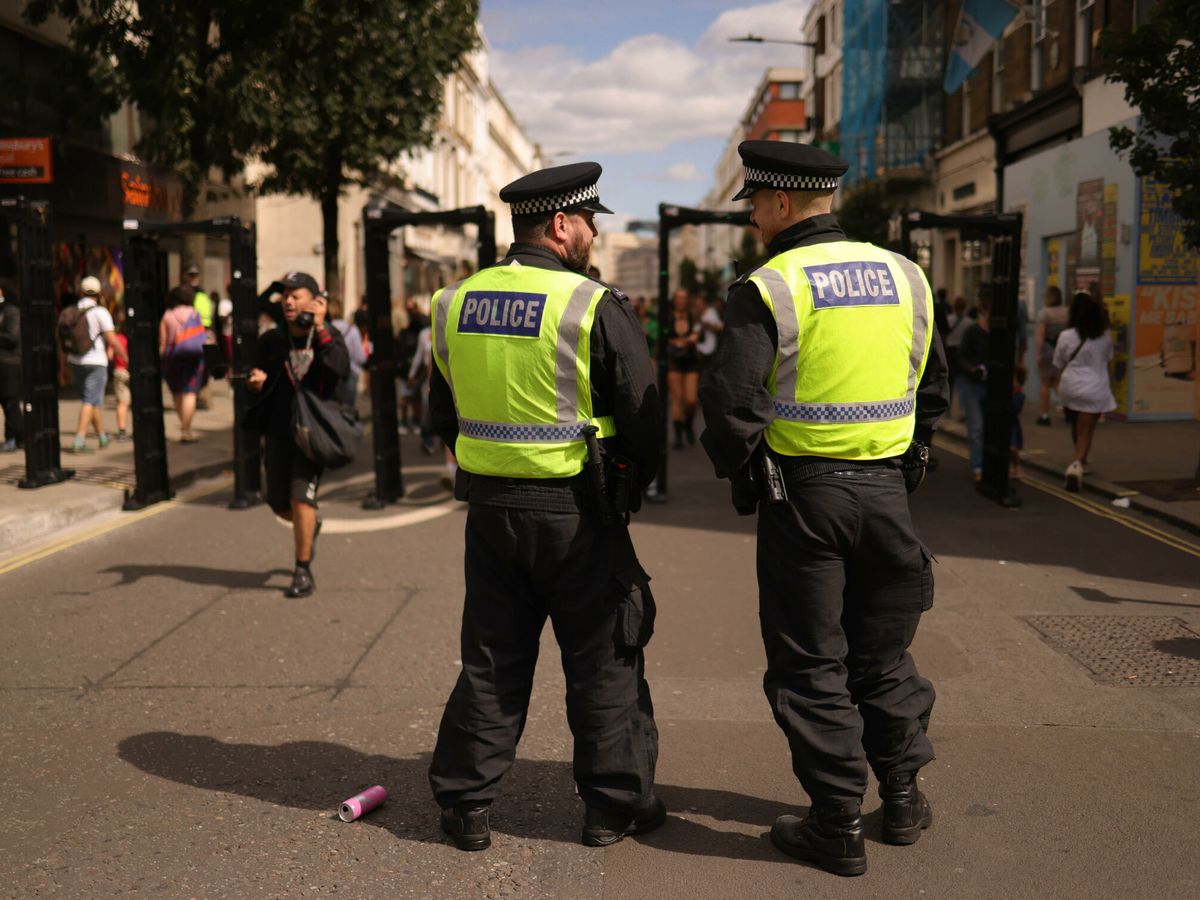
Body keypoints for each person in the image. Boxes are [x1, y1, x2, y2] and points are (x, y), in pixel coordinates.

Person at [699, 140, 948, 877]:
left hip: (804, 497)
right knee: (882, 654)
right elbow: (929, 388)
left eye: (754, 208)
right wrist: (907, 462)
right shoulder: (908, 277)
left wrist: (750, 480)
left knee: (811, 662)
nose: (752, 223)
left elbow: (729, 404)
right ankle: (902, 796)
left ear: (779, 204)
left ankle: (837, 822)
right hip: (886, 492)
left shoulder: (770, 285)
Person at [426, 162, 664, 852]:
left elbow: (446, 413)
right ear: (561, 224)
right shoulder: (590, 305)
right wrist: (627, 490)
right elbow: (643, 421)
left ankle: (467, 807)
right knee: (603, 659)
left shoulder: (454, 303)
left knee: (493, 659)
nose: (594, 234)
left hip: (492, 514)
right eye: (591, 221)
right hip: (581, 516)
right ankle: (611, 808)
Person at [245, 272, 348, 598]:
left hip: (312, 432)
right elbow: (257, 377)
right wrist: (255, 383)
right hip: (278, 429)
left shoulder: (328, 335)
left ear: (316, 301)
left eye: (296, 295)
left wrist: (319, 327)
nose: (288, 301)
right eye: (285, 296)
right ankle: (310, 525)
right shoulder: (271, 340)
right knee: (277, 502)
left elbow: (339, 369)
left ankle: (302, 570)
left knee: (301, 497)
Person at [1053, 291, 1116, 493]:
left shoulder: (1065, 336)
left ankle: (1081, 458)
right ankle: (1077, 465)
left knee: (1076, 424)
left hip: (1070, 387)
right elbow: (1109, 359)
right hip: (1094, 388)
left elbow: (1058, 362)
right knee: (1086, 430)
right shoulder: (1105, 336)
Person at [64, 276, 127, 453]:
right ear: (98, 293)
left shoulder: (72, 310)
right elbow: (112, 339)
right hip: (95, 361)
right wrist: (126, 357)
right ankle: (79, 441)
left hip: (75, 360)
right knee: (90, 401)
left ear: (81, 291)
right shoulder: (100, 312)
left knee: (91, 400)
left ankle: (102, 436)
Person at [159, 284, 207, 443]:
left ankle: (184, 426)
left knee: (178, 393)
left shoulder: (168, 315)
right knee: (190, 393)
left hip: (172, 357)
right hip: (193, 358)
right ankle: (186, 430)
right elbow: (201, 336)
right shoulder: (194, 314)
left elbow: (163, 342)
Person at [956, 305, 990, 482]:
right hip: (972, 385)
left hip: (992, 386)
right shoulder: (972, 331)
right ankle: (978, 466)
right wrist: (971, 369)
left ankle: (990, 465)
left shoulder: (1001, 332)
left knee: (990, 428)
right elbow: (961, 356)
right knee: (976, 428)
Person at [666, 288, 701, 449]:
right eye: (678, 297)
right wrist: (677, 342)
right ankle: (679, 435)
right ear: (674, 300)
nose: (681, 301)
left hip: (690, 360)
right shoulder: (667, 316)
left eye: (684, 297)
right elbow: (663, 335)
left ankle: (688, 424)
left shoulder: (693, 315)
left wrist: (692, 338)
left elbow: (699, 333)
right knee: (677, 399)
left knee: (691, 400)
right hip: (673, 360)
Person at [1034, 285, 1069, 425]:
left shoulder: (1044, 313)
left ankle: (1044, 415)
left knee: (1045, 382)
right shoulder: (1067, 312)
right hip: (1062, 350)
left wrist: (1038, 354)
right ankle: (1068, 409)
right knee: (1058, 382)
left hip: (1048, 349)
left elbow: (1040, 336)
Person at [183, 263, 215, 411]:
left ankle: (202, 397)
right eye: (191, 275)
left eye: (195, 275)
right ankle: (193, 397)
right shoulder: (184, 294)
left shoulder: (202, 294)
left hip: (203, 332)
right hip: (191, 334)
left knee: (204, 366)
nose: (193, 278)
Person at [328, 297, 367, 414]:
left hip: (331, 373)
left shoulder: (325, 329)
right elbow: (361, 357)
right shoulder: (352, 329)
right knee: (347, 410)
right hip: (350, 373)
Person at [0, 284, 21, 452]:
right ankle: (16, 436)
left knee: (11, 402)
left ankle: (15, 437)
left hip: (10, 363)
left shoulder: (11, 312)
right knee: (6, 402)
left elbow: (12, 337)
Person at [110, 305, 131, 441]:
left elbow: (110, 355)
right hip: (130, 371)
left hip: (119, 371)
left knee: (122, 403)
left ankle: (121, 430)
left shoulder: (117, 338)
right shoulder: (132, 339)